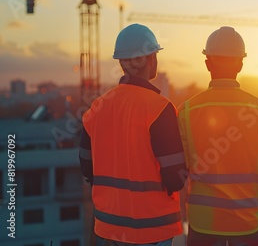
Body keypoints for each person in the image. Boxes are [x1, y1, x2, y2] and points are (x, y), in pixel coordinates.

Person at [177, 26, 258, 246]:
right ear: (241, 64)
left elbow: (183, 166)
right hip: (249, 222)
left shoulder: (187, 110)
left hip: (203, 223)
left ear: (207, 63)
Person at [79, 23, 186, 246]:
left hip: (108, 227)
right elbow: (175, 177)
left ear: (121, 63)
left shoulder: (96, 107)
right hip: (152, 229)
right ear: (151, 59)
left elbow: (88, 169)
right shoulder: (160, 109)